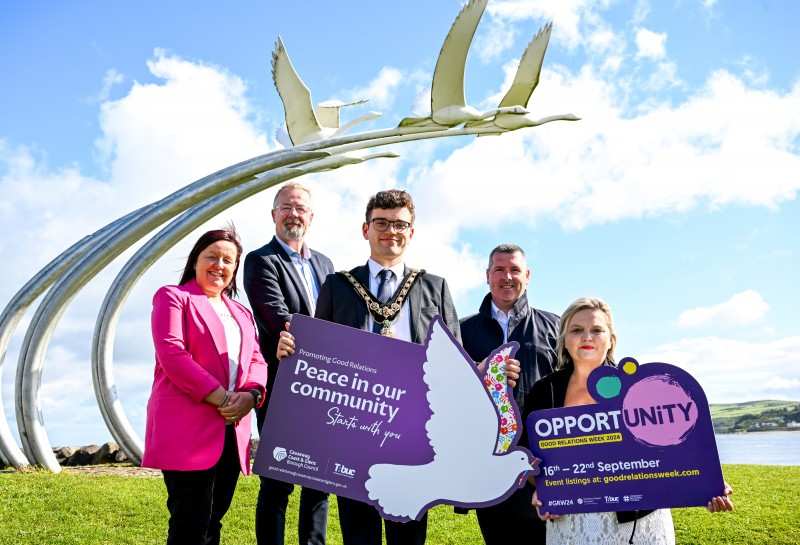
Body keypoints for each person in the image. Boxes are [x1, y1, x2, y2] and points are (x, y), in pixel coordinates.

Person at [276, 189, 461, 545]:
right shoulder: (339, 286)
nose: (390, 230)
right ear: (365, 229)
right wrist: (293, 350)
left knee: (408, 535)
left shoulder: (434, 287)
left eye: (400, 224)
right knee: (359, 535)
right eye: (381, 223)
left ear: (412, 232)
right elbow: (316, 354)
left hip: (412, 433)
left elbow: (455, 361)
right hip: (352, 432)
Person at [524, 296, 734, 545]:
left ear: (611, 340)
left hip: (638, 523)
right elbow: (529, 459)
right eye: (577, 330)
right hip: (570, 523)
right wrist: (545, 491)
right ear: (564, 340)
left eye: (597, 330)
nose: (587, 336)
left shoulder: (639, 388)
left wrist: (704, 486)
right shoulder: (544, 390)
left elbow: (672, 451)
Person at [143, 225, 268, 545]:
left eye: (229, 261)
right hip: (187, 426)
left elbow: (257, 359)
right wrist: (224, 398)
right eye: (212, 257)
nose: (220, 265)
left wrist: (251, 395)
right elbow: (172, 354)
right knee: (191, 521)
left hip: (232, 427)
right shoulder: (174, 298)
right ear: (196, 261)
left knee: (214, 520)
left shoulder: (241, 311)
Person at [243, 182, 335, 545]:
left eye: (300, 208)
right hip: (284, 386)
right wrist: (332, 348)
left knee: (320, 483)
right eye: (286, 207)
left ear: (311, 217)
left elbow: (338, 319)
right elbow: (276, 317)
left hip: (327, 391)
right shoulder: (260, 260)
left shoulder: (326, 264)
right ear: (274, 215)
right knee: (278, 483)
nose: (293, 214)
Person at [459, 243, 558, 545]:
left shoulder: (556, 327)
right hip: (487, 464)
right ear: (487, 276)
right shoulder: (462, 330)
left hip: (543, 462)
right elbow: (445, 391)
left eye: (514, 270)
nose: (507, 277)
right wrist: (480, 369)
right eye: (499, 270)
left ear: (527, 276)